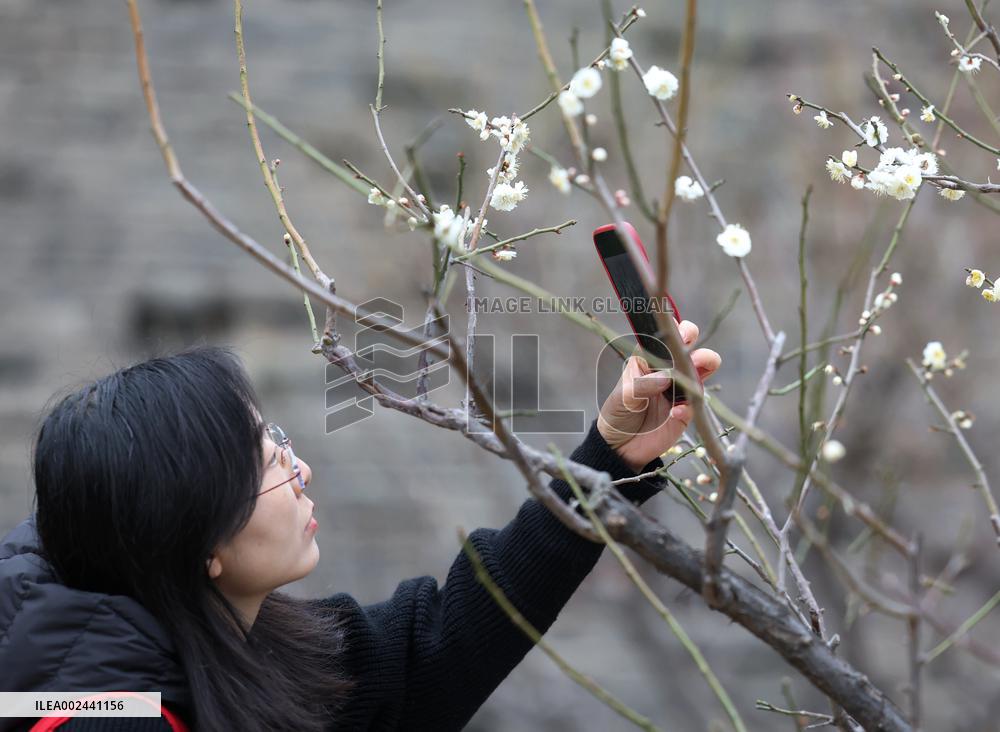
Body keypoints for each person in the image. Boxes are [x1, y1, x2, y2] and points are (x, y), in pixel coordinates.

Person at [0, 323, 721, 731]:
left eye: (278, 439)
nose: (300, 469)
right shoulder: (95, 716)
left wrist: (609, 458)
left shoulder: (236, 651)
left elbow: (441, 645)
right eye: (267, 465)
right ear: (198, 539)